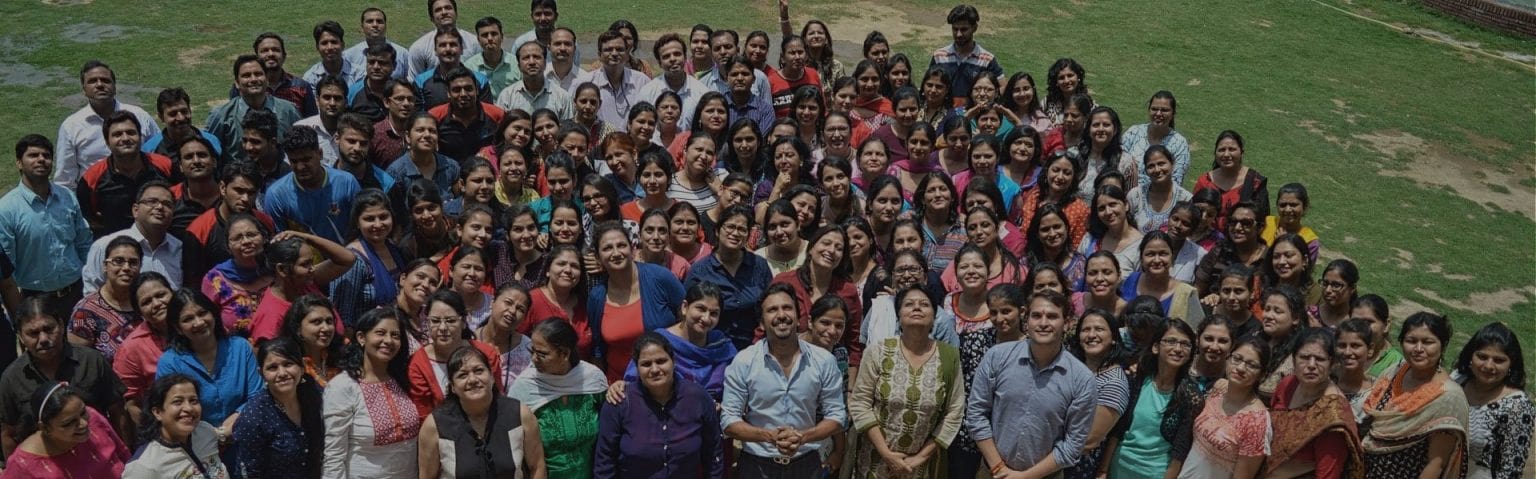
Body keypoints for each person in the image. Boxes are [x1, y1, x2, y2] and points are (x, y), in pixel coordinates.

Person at [964, 290, 1096, 478]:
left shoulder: (1082, 379)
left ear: (1067, 323)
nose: (1043, 323)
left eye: (1052, 316)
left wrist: (1024, 477)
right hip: (992, 471)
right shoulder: (997, 357)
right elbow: (976, 414)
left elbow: (1073, 445)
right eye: (1036, 316)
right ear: (1026, 321)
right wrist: (999, 468)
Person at [721, 284, 848, 477]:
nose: (781, 315)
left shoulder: (824, 361)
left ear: (798, 317)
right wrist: (769, 436)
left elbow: (837, 417)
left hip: (806, 463)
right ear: (761, 323)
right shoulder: (744, 361)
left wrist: (802, 437)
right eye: (772, 310)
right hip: (756, 465)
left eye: (787, 308)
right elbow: (729, 421)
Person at [847, 285, 965, 479]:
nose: (917, 307)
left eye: (924, 304)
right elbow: (860, 403)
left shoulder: (949, 357)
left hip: (920, 467)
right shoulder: (878, 351)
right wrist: (886, 454)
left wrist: (920, 457)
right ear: (899, 316)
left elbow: (954, 411)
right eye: (909, 304)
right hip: (874, 461)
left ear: (934, 316)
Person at [0, 297, 127, 457]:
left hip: (98, 454)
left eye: (49, 329)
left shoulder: (91, 361)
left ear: (61, 325)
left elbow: (117, 411)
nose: (43, 339)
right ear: (20, 336)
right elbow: (8, 434)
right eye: (33, 333)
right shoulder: (11, 379)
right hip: (45, 462)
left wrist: (125, 456)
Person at [593, 332, 723, 478]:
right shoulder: (620, 402)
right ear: (636, 367)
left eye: (661, 361)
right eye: (646, 364)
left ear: (673, 361)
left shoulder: (698, 398)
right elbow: (604, 462)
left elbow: (713, 453)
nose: (654, 369)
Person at [1360, 312, 1470, 478]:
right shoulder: (1394, 373)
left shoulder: (1448, 398)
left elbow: (1436, 464)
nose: (1418, 349)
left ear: (1443, 346)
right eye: (1411, 341)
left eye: (1428, 342)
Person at [154, 288, 263, 454]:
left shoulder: (240, 348)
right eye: (188, 319)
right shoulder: (170, 363)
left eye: (202, 313)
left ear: (214, 314)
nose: (198, 322)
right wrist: (212, 436)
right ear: (178, 328)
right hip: (196, 450)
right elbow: (171, 411)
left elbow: (257, 396)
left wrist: (234, 421)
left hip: (246, 441)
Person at [418, 345, 549, 478]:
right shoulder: (435, 426)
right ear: (452, 387)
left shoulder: (520, 414)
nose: (473, 380)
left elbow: (537, 467)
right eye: (462, 375)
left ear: (492, 377)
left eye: (479, 371)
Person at [322, 307, 422, 477]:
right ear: (362, 338)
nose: (388, 340)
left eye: (395, 335)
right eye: (380, 333)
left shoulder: (403, 380)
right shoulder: (343, 387)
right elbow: (334, 454)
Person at [507, 319, 608, 479]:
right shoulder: (524, 388)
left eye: (542, 354)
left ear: (565, 354)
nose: (534, 359)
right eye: (532, 351)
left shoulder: (593, 379)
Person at [588, 222, 685, 381]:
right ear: (598, 257)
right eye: (607, 248)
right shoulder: (597, 296)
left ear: (632, 249)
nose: (616, 253)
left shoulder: (660, 278)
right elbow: (597, 347)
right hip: (619, 385)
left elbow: (688, 320)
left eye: (621, 245)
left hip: (664, 380)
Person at [1266, 329, 1365, 478]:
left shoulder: (1332, 416)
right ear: (1293, 359)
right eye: (1304, 357)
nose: (1311, 365)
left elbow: (1328, 474)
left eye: (1320, 359)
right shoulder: (1287, 385)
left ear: (1332, 363)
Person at [1104, 318, 1195, 478]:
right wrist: (1103, 470)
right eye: (1171, 341)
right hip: (1119, 468)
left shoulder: (1190, 396)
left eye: (1185, 344)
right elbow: (1117, 430)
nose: (1178, 349)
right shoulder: (1137, 380)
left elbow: (1180, 451)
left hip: (1155, 473)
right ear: (1155, 347)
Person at [1173, 336, 1272, 478]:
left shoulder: (1257, 421)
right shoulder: (1216, 391)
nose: (1240, 368)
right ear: (1228, 358)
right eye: (1237, 359)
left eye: (1251, 365)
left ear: (1262, 375)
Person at [52, 60, 161, 189]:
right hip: (96, 196)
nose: (99, 85)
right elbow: (65, 180)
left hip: (143, 192)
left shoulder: (140, 116)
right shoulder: (71, 126)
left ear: (115, 87)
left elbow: (160, 152)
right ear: (84, 90)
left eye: (105, 80)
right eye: (92, 81)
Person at [228, 338, 323, 478]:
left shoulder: (314, 394)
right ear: (261, 374)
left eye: (288, 364)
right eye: (273, 367)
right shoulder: (254, 417)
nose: (282, 373)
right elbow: (249, 473)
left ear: (302, 367)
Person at [75, 111, 174, 238]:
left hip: (163, 242)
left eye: (131, 132)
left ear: (140, 137)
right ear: (107, 141)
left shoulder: (165, 165)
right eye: (117, 134)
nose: (125, 138)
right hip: (117, 246)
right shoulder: (91, 178)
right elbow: (90, 218)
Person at [407, 290, 504, 418]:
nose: (442, 328)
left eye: (450, 321)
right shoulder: (418, 364)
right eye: (435, 321)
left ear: (463, 322)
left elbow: (498, 397)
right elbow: (425, 415)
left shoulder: (486, 353)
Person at [0, 382, 129, 478]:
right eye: (69, 423)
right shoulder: (22, 465)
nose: (84, 423)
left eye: (83, 412)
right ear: (45, 428)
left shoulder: (93, 418)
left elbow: (124, 455)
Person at [1453, 322, 1532, 479]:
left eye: (1499, 360)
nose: (1489, 366)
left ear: (1511, 364)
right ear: (1470, 356)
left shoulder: (1516, 406)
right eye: (1482, 357)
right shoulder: (1457, 381)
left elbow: (1510, 469)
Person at [180, 161, 275, 288]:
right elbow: (193, 283)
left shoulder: (265, 222)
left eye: (251, 193)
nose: (245, 198)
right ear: (223, 188)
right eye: (239, 191)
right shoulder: (199, 230)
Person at [1060, 309, 1130, 479]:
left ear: (1113, 338)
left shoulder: (1114, 382)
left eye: (1099, 329)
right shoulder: (1071, 367)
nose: (1091, 335)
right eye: (1085, 329)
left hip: (1071, 468)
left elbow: (1088, 441)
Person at [121, 374, 229, 479]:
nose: (189, 408)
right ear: (157, 412)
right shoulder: (144, 466)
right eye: (177, 402)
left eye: (193, 401)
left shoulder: (205, 431)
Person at [205, 54, 303, 160]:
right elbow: (208, 151)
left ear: (267, 79)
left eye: (258, 74)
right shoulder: (221, 115)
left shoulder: (288, 110)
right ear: (237, 83)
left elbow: (302, 146)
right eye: (246, 76)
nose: (253, 79)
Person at [113, 272, 174, 432]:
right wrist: (158, 433)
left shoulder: (195, 325)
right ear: (139, 311)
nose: (157, 304)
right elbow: (131, 403)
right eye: (146, 302)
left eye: (161, 295)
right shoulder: (131, 349)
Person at [70, 236, 145, 363]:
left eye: (133, 262)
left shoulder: (146, 301)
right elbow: (79, 363)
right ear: (105, 266)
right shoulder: (85, 312)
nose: (126, 267)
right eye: (118, 261)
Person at [199, 214, 274, 337]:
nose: (246, 241)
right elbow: (207, 321)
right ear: (228, 246)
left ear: (264, 237)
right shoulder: (214, 279)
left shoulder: (278, 270)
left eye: (251, 235)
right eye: (237, 238)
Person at [1120, 231, 1206, 324]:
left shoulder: (1186, 293)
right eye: (1150, 254)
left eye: (1163, 254)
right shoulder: (1132, 280)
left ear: (1172, 257)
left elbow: (1198, 328)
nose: (1157, 260)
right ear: (1141, 258)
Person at [1192, 130, 1270, 230]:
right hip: (1207, 238)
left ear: (1242, 152)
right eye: (1221, 150)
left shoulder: (1255, 182)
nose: (1226, 154)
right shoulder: (1205, 181)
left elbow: (1262, 219)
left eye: (1232, 149)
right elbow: (1193, 213)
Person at [927, 4, 1002, 102]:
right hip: (945, 111)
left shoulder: (987, 60)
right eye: (955, 29)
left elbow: (1002, 86)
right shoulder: (939, 57)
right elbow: (929, 83)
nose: (959, 34)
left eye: (964, 29)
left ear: (974, 28)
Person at [428, 67, 505, 163]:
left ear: (477, 90)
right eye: (456, 90)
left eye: (468, 89)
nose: (463, 94)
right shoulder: (434, 116)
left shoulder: (496, 115)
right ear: (448, 93)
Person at [1122, 91, 1192, 186]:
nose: (1158, 113)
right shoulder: (1134, 132)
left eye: (1164, 110)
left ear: (1173, 114)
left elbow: (1176, 180)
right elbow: (1118, 163)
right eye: (1154, 109)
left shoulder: (1180, 144)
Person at [496, 40, 576, 121]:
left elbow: (567, 127)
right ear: (519, 66)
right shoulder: (507, 96)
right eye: (526, 58)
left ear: (545, 63)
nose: (532, 62)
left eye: (537, 57)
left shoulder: (562, 97)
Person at [388, 113, 462, 198]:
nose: (427, 135)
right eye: (420, 130)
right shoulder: (396, 173)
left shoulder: (451, 167)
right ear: (408, 136)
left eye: (432, 131)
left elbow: (459, 202)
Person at [142, 87, 223, 164]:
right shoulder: (150, 150)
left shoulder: (211, 141)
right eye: (173, 114)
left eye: (184, 111)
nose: (181, 118)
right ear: (161, 117)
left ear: (190, 111)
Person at [479, 283, 537, 388]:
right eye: (508, 303)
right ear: (492, 302)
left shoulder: (528, 349)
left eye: (520, 309)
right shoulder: (469, 340)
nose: (512, 311)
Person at [280, 294, 345, 385]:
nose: (326, 328)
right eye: (316, 322)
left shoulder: (343, 359)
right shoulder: (290, 368)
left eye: (329, 321)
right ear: (298, 329)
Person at [1129, 145, 1193, 234]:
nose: (1157, 170)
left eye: (1161, 164)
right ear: (1146, 170)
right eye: (1151, 166)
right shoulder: (1135, 196)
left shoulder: (1185, 199)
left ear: (1172, 164)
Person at [408, 0, 481, 78]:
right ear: (432, 18)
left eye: (448, 8)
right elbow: (415, 81)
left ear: (456, 13)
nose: (444, 12)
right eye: (438, 10)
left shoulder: (474, 43)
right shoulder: (419, 48)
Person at [294, 74, 349, 166]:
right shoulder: (301, 129)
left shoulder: (353, 132)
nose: (332, 103)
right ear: (317, 100)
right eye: (327, 97)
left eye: (337, 98)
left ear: (346, 102)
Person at [463, 16, 519, 99]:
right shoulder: (469, 67)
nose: (489, 38)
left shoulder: (517, 64)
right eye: (485, 35)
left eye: (494, 34)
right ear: (478, 39)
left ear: (502, 37)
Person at [304, 21, 362, 86]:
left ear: (343, 45)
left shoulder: (359, 74)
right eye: (324, 43)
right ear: (317, 47)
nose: (329, 47)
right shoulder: (310, 78)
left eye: (334, 42)